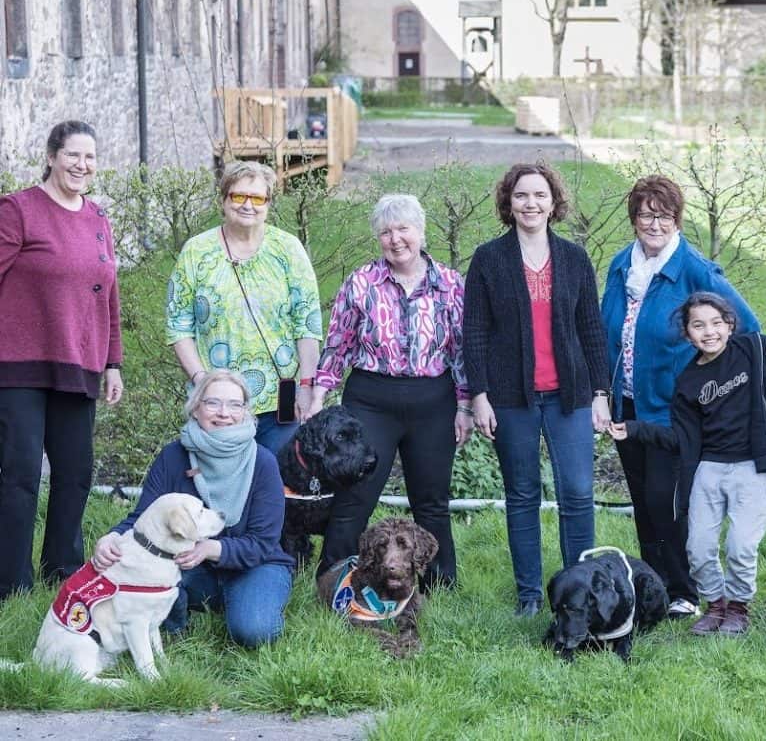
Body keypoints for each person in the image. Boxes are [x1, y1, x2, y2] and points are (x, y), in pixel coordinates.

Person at [611, 280, 766, 636]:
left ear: (729, 323)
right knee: (699, 546)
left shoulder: (755, 350)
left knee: (740, 545)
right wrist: (634, 429)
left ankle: (738, 607)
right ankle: (715, 605)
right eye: (698, 325)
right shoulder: (689, 380)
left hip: (753, 466)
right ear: (688, 334)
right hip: (709, 468)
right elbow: (680, 438)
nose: (708, 331)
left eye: (715, 322)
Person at [601, 175, 759, 620]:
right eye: (647, 214)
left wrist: (712, 383)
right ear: (633, 218)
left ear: (677, 220)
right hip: (626, 406)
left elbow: (746, 328)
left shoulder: (694, 269)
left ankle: (684, 589)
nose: (655, 224)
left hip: (675, 410)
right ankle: (652, 585)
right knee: (641, 500)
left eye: (665, 215)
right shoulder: (621, 267)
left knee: (664, 500)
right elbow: (603, 330)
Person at [463, 163, 611, 617]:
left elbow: (590, 328)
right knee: (522, 495)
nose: (531, 203)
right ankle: (529, 595)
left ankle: (579, 590)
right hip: (511, 399)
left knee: (578, 493)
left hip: (570, 397)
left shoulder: (574, 258)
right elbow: (475, 332)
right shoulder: (489, 259)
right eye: (522, 195)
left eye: (540, 195)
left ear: (553, 203)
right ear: (509, 203)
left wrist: (601, 394)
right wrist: (479, 395)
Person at [310, 194, 471, 588]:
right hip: (370, 400)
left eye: (403, 229)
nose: (395, 239)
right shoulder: (361, 282)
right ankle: (335, 579)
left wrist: (465, 404)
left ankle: (438, 584)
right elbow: (338, 343)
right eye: (386, 232)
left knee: (431, 500)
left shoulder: (450, 284)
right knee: (355, 496)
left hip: (432, 400)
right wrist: (318, 395)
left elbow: (463, 350)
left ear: (421, 231)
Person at [0, 120, 124, 601]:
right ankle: (12, 583)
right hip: (19, 366)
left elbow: (108, 297)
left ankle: (62, 569)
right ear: (52, 156)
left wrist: (113, 362)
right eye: (73, 155)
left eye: (90, 157)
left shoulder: (97, 220)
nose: (82, 165)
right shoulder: (18, 211)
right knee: (20, 474)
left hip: (80, 362)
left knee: (75, 472)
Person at [92, 369, 294, 647]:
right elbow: (143, 519)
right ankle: (175, 623)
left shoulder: (263, 462)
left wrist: (212, 549)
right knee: (128, 584)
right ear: (195, 408)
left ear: (246, 412)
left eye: (235, 404)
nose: (224, 413)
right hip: (187, 565)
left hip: (256, 564)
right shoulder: (173, 456)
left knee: (254, 631)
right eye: (212, 403)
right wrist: (113, 537)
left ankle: (246, 600)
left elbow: (263, 542)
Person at [166, 161, 322, 455]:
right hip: (218, 405)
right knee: (220, 491)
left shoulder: (287, 249)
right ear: (224, 200)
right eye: (238, 196)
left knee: (275, 489)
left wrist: (306, 384)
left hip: (280, 403)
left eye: (258, 198)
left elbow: (307, 321)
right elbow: (179, 325)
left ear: (269, 203)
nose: (248, 205)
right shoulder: (196, 252)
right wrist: (202, 383)